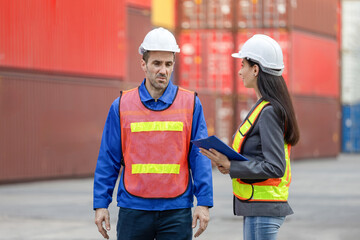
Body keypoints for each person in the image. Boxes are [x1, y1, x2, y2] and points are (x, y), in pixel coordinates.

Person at [93, 27, 213, 240]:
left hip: (176, 210)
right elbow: (108, 158)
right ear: (143, 64)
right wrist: (101, 204)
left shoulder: (191, 104)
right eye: (157, 63)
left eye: (168, 64)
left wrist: (203, 203)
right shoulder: (121, 106)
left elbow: (199, 156)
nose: (163, 70)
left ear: (173, 65)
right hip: (134, 208)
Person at [199, 34, 300, 240]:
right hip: (259, 208)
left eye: (243, 65)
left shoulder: (269, 111)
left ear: (256, 70)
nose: (239, 71)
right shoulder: (264, 107)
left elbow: (275, 167)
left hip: (263, 210)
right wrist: (228, 163)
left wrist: (231, 166)